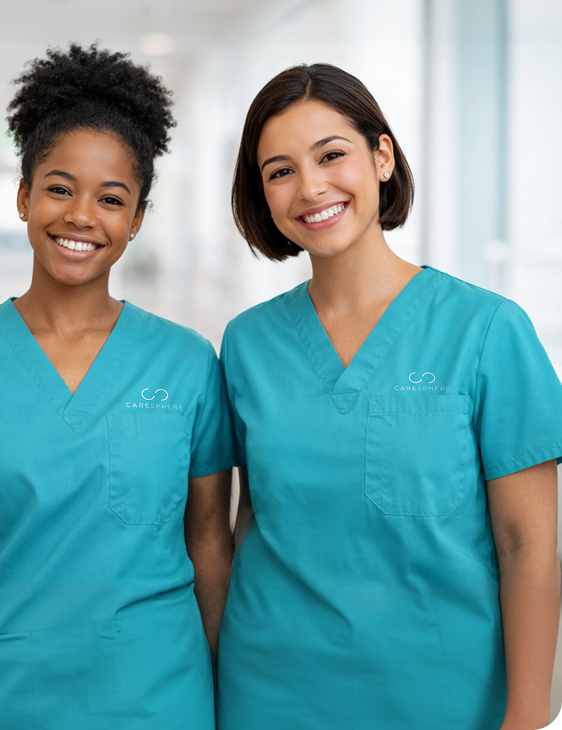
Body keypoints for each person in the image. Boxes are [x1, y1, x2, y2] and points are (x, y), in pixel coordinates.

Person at [0, 44, 235, 730]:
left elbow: (210, 543)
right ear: (23, 195)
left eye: (111, 199)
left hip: (159, 696)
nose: (80, 216)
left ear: (136, 219)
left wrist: (225, 701)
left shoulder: (188, 365)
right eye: (60, 187)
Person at [217, 63, 561, 730]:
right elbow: (253, 520)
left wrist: (528, 712)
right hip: (270, 689)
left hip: (442, 692)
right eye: (279, 170)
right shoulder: (247, 344)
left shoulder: (487, 330)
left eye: (331, 155)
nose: (310, 186)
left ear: (382, 156)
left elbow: (530, 548)